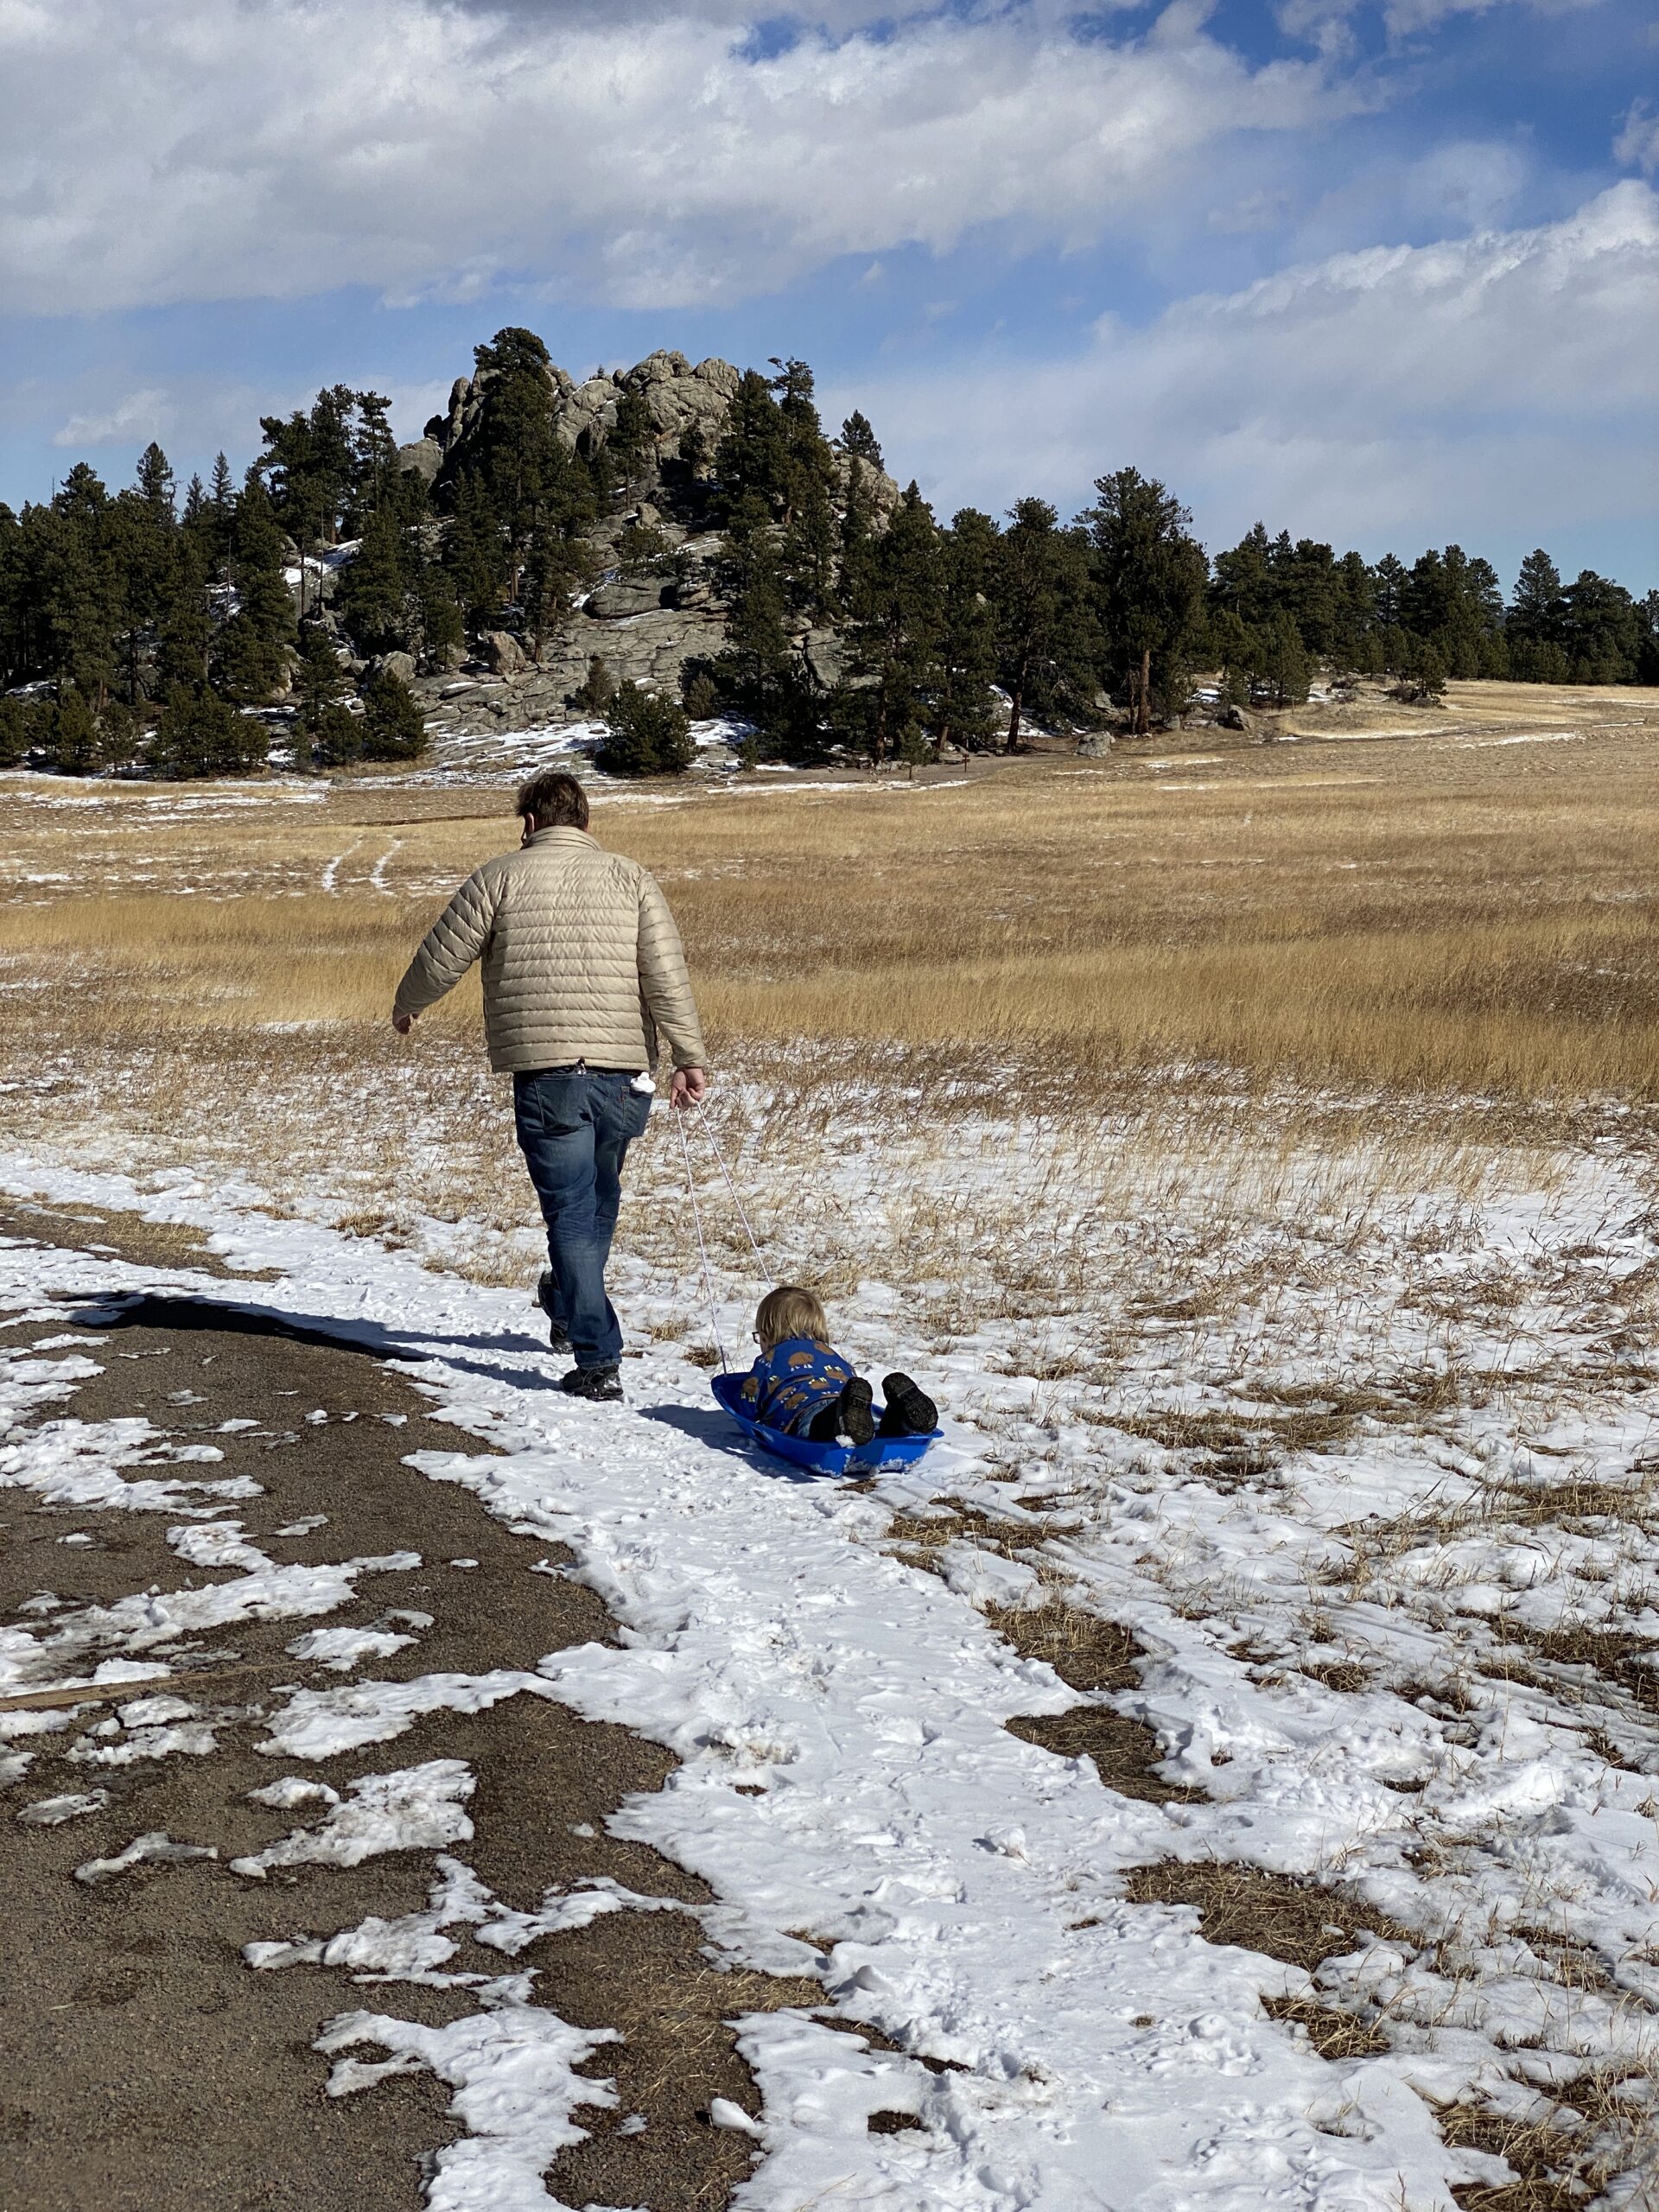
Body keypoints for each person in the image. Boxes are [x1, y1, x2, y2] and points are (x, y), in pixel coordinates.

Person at [391, 767, 707, 1402]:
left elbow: (440, 955)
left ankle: (597, 1357)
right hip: (624, 1074)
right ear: (587, 823)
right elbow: (665, 975)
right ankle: (566, 1303)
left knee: (571, 1211)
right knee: (598, 1200)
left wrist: (408, 1003)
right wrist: (687, 1055)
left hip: (546, 1074)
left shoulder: (498, 877)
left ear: (529, 822)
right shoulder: (631, 877)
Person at [738, 1285, 938, 1446]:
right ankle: (899, 1417)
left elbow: (746, 1408)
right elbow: (852, 1383)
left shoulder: (768, 1361)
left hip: (807, 1409)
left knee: (822, 1428)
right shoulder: (831, 1355)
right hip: (843, 1399)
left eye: (759, 1339)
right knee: (878, 1430)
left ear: (765, 1336)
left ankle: (844, 1419)